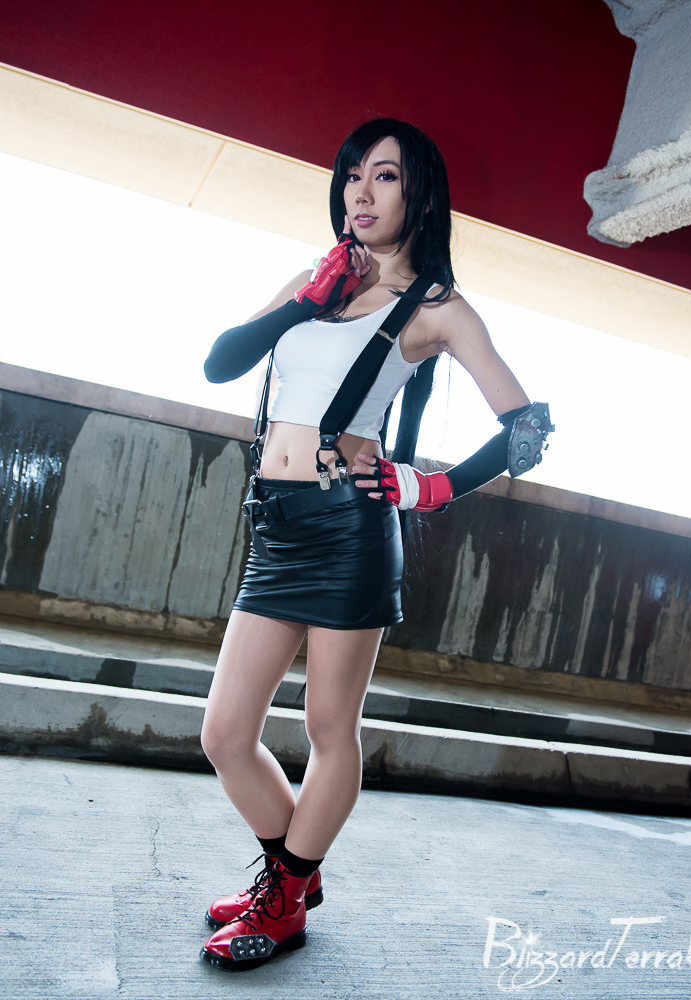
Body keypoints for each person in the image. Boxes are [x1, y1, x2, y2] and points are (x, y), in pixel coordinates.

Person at [198, 118, 551, 972]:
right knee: (224, 733)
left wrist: (429, 488)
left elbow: (528, 428)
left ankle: (284, 902)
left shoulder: (435, 308)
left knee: (328, 728)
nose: (361, 190)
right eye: (353, 173)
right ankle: (294, 871)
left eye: (385, 175)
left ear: (418, 194)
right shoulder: (314, 281)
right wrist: (306, 300)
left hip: (349, 531)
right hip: (276, 525)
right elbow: (220, 363)